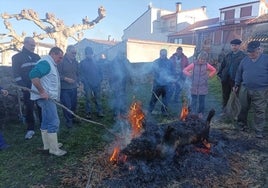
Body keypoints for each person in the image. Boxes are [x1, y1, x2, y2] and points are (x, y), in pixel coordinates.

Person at [30, 47, 67, 156]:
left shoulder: (50, 63)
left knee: (46, 121)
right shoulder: (46, 62)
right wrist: (42, 91)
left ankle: (48, 145)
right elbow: (33, 75)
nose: (60, 60)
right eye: (60, 58)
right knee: (54, 121)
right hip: (46, 98)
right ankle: (54, 149)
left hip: (47, 98)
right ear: (53, 54)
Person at [234, 41, 268, 139]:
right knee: (242, 108)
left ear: (259, 50)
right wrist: (236, 83)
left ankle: (258, 131)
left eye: (252, 52)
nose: (250, 54)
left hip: (261, 90)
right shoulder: (245, 60)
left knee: (259, 110)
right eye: (248, 52)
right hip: (245, 88)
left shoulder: (266, 59)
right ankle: (241, 125)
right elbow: (239, 72)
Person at [12, 37, 41, 139]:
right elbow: (16, 74)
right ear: (25, 44)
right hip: (27, 87)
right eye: (32, 45)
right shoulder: (17, 57)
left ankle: (43, 126)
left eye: (34, 45)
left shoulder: (37, 56)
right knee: (29, 107)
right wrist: (23, 86)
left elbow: (41, 71)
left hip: (38, 86)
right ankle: (30, 129)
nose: (33, 47)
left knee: (41, 106)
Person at [183, 51, 216, 119]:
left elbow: (214, 70)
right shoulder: (193, 64)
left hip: (203, 86)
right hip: (194, 85)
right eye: (201, 59)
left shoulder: (207, 65)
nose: (202, 60)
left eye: (203, 59)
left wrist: (209, 76)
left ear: (205, 60)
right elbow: (184, 70)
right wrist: (190, 75)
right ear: (198, 58)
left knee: (202, 101)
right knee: (194, 100)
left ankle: (200, 113)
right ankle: (193, 112)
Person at [217, 39, 246, 115]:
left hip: (236, 80)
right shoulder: (228, 55)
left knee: (235, 97)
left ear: (239, 46)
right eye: (232, 45)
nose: (234, 47)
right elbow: (222, 65)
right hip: (226, 78)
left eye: (236, 45)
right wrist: (219, 74)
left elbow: (244, 69)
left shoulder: (243, 56)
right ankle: (224, 111)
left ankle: (234, 112)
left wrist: (241, 80)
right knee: (225, 95)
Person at [57, 45, 79, 128]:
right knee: (67, 105)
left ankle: (72, 118)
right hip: (64, 88)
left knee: (73, 104)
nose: (74, 54)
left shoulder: (76, 62)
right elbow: (57, 74)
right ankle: (68, 121)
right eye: (73, 53)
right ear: (67, 51)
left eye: (75, 53)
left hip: (74, 87)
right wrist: (65, 79)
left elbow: (78, 73)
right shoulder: (61, 62)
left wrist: (78, 81)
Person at [79, 47, 104, 119]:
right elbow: (80, 73)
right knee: (88, 99)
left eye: (90, 54)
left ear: (92, 54)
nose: (89, 55)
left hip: (97, 83)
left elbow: (101, 72)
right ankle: (88, 113)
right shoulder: (82, 63)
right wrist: (84, 81)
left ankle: (100, 111)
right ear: (85, 54)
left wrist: (100, 80)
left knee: (98, 98)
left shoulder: (97, 62)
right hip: (87, 85)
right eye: (87, 54)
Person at [148, 49, 174, 116]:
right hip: (157, 84)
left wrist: (172, 81)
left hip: (167, 84)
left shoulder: (170, 62)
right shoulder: (156, 62)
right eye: (162, 54)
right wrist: (151, 81)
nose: (163, 56)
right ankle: (149, 111)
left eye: (165, 54)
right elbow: (151, 72)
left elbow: (172, 73)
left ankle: (164, 111)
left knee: (166, 99)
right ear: (160, 54)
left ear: (166, 54)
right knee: (153, 99)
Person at [108, 50, 132, 119]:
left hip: (123, 82)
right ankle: (116, 114)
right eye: (122, 54)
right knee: (116, 98)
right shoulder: (113, 62)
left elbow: (128, 70)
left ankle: (123, 112)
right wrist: (111, 83)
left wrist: (130, 80)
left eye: (124, 54)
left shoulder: (125, 61)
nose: (123, 56)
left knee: (123, 97)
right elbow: (110, 74)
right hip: (115, 83)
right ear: (118, 54)